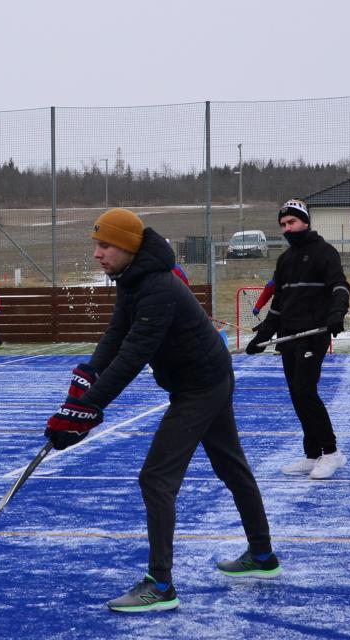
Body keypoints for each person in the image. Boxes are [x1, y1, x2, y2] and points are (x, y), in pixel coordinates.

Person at [44, 208, 280, 614]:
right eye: (96, 245)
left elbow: (134, 354)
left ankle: (161, 585)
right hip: (205, 378)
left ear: (128, 246)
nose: (97, 253)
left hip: (201, 387)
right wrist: (86, 377)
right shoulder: (132, 278)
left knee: (156, 478)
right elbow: (116, 334)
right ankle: (262, 555)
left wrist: (87, 409)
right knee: (231, 466)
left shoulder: (157, 286)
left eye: (105, 245)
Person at [246, 199, 350, 480]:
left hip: (313, 334)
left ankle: (331, 452)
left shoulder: (325, 252)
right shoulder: (285, 259)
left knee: (306, 392)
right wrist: (264, 334)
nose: (287, 228)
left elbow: (340, 286)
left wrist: (336, 314)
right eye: (283, 224)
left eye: (291, 222)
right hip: (288, 336)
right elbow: (279, 302)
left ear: (305, 221)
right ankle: (312, 453)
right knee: (296, 395)